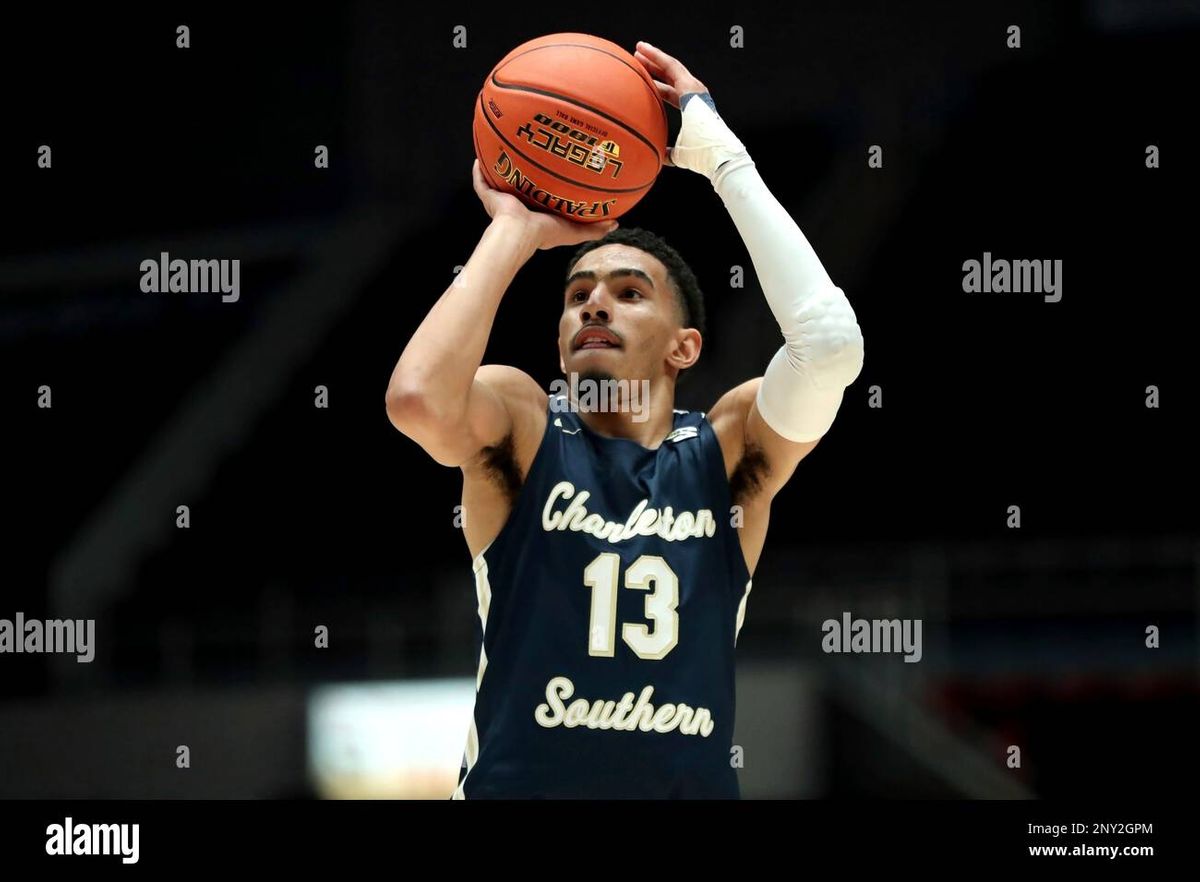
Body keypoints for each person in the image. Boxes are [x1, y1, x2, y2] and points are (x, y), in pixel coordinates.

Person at [385, 41, 865, 798]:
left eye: (629, 292)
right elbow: (416, 400)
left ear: (686, 346)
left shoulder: (728, 454)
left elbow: (832, 347)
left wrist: (724, 162)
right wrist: (513, 230)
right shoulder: (523, 425)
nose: (595, 304)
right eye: (577, 296)